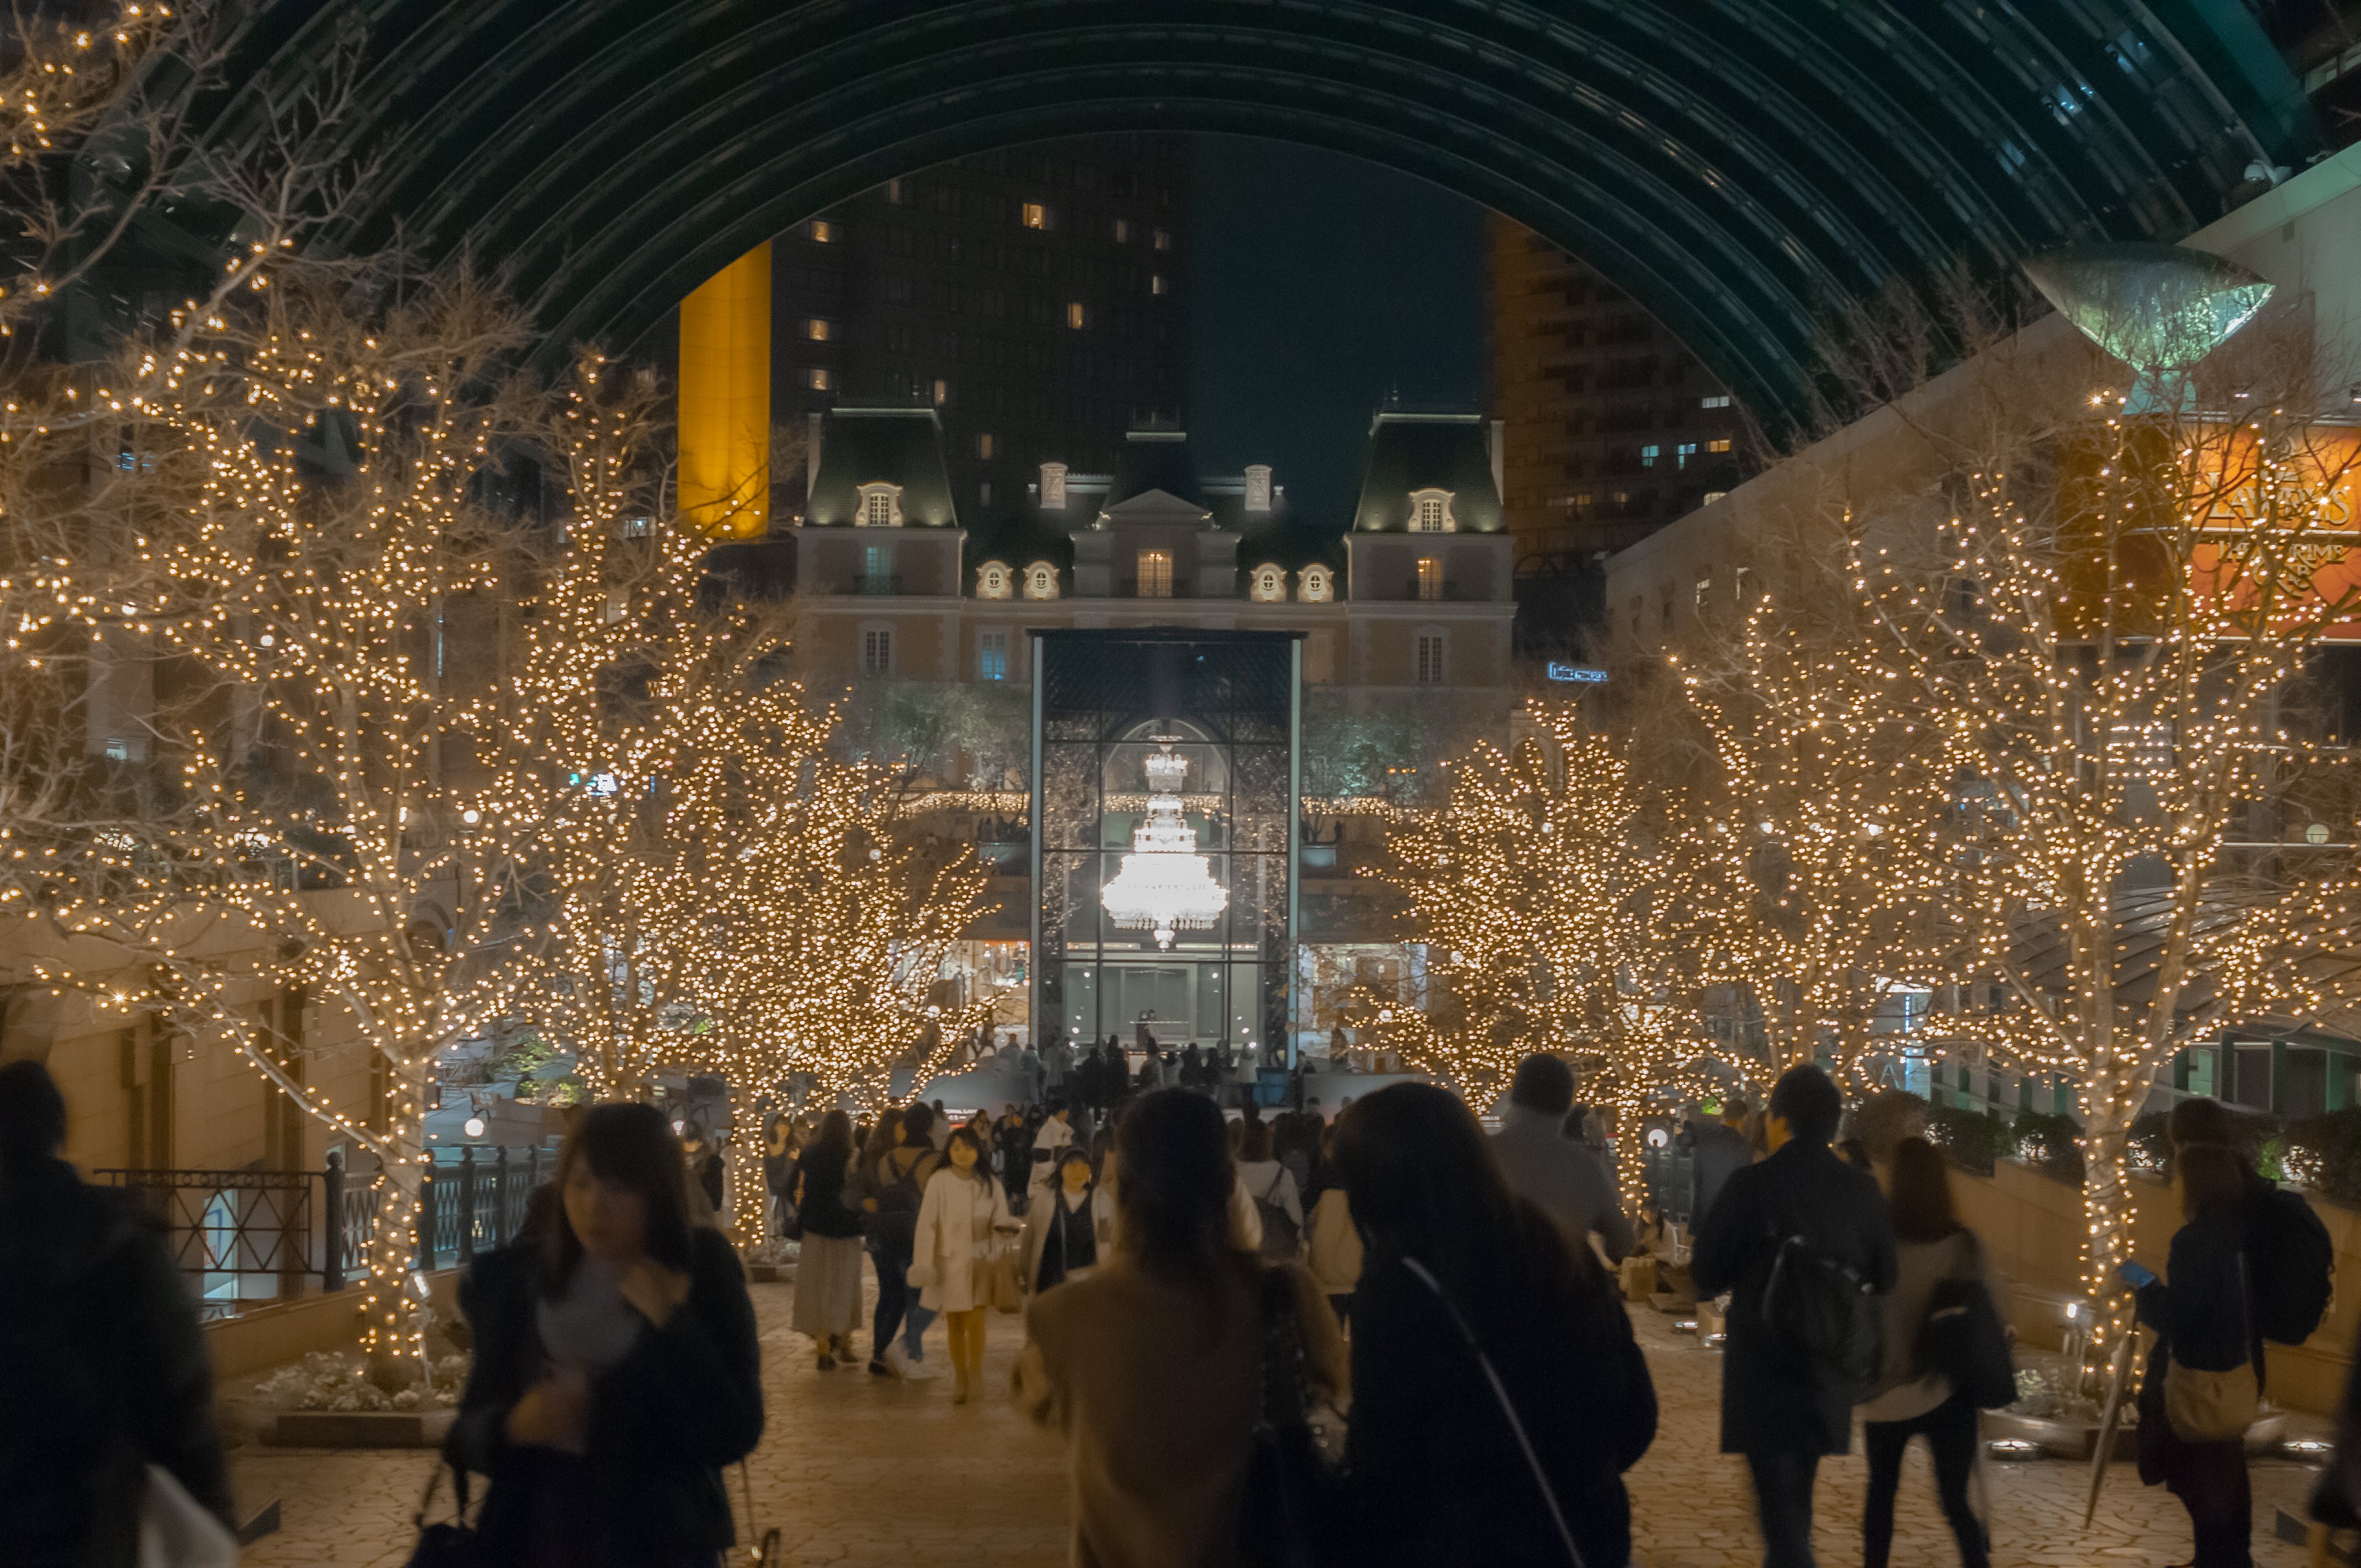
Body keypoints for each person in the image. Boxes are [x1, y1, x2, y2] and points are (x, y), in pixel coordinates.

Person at [1016, 1090, 1345, 1568]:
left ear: (1123, 1184)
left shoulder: (1060, 1317)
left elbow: (1042, 1407)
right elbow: (1334, 1395)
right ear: (1226, 1181)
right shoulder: (1283, 1296)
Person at [1336, 1083, 1655, 1567]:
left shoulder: (1402, 1280)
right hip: (1584, 1534)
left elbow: (1388, 1462)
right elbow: (1636, 1412)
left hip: (1465, 1542)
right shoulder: (1556, 1246)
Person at [449, 1101, 763, 1568]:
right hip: (535, 1538)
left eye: (621, 1185)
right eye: (581, 1182)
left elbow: (735, 1430)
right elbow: (464, 1435)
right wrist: (515, 1426)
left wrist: (674, 1327)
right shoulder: (516, 1283)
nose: (595, 1203)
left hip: (661, 1544)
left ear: (657, 1191)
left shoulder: (701, 1275)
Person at [0, 1060, 233, 1568]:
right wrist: (210, 1509)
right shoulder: (119, 1240)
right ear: (58, 1131)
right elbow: (179, 1385)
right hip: (93, 1510)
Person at [1692, 1063, 1896, 1568]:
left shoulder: (1751, 1185)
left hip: (1762, 1366)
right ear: (1833, 1125)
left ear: (1779, 1120)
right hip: (1828, 1365)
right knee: (1795, 1500)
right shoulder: (1860, 1191)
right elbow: (1887, 1276)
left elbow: (1706, 1274)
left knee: (1782, 1519)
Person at [1857, 1136, 1991, 1568]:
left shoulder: (1878, 1243)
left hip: (1885, 1392)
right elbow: (1993, 1316)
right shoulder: (1963, 1245)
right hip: (1948, 1391)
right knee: (1955, 1501)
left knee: (1881, 1494)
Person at [2135, 1142, 2262, 1568]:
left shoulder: (2195, 1241)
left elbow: (2181, 1315)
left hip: (2198, 1378)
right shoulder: (2240, 1232)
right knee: (2223, 1472)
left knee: (2199, 1477)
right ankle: (2224, 1557)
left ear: (2196, 1186)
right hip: (2237, 1370)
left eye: (2178, 1178)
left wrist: (2144, 1287)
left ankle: (2218, 1560)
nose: (2173, 1187)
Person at [1490, 1053, 1634, 1263]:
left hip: (1487, 1290)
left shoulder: (1481, 1153)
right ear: (1568, 1105)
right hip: (1558, 1290)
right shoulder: (1583, 1166)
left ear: (1514, 1096)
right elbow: (1621, 1243)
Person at [911, 1125, 1019, 1403]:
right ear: (948, 1151)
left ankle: (975, 1373)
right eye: (956, 1147)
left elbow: (1001, 1216)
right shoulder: (939, 1181)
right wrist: (924, 1263)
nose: (962, 1153)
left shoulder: (990, 1183)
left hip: (982, 1260)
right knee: (955, 1322)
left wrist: (1003, 1230)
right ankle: (961, 1377)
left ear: (979, 1151)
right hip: (950, 1262)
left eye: (969, 1148)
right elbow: (927, 1225)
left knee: (977, 1318)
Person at [853, 1106, 944, 1380]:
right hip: (917, 1236)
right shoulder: (935, 1160)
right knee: (919, 1298)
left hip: (884, 1235)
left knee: (888, 1295)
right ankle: (910, 1355)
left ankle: (879, 1354)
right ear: (929, 1128)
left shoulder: (888, 1158)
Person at [790, 1109, 866, 1370]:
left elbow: (792, 1185)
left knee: (818, 1286)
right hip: (847, 1229)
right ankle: (845, 1341)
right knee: (845, 1286)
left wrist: (805, 1208)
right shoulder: (854, 1156)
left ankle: (823, 1347)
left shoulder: (809, 1154)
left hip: (816, 1229)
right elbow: (860, 1192)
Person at [1022, 1148, 1107, 1294]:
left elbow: (1107, 1239)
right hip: (1050, 1284)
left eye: (1084, 1167)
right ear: (1061, 1170)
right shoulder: (1044, 1200)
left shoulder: (1102, 1202)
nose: (1078, 1172)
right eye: (1073, 1166)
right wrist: (1027, 1277)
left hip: (1088, 1286)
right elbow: (1029, 1241)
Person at [1233, 1117, 1304, 1259]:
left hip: (1240, 1250)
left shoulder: (1233, 1172)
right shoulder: (1282, 1174)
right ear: (1268, 1143)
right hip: (1273, 1253)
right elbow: (1296, 1220)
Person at [1687, 1097, 1754, 1231]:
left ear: (1724, 1115)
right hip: (1730, 1217)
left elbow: (1696, 1178)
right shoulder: (1742, 1145)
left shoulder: (1706, 1140)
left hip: (1705, 1214)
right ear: (1744, 1118)